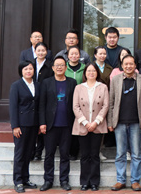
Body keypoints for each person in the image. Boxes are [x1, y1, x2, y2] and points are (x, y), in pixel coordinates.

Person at [108, 55, 141, 192]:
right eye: (126, 64)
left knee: (136, 153)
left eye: (131, 64)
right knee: (120, 153)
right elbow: (111, 102)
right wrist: (110, 121)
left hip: (136, 122)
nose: (128, 66)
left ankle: (135, 181)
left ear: (135, 65)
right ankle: (120, 180)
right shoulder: (115, 79)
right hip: (119, 122)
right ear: (122, 65)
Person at [39, 56, 77, 191]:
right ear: (53, 68)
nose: (59, 67)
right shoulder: (46, 83)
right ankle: (48, 180)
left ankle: (64, 180)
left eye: (62, 65)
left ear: (66, 68)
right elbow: (42, 104)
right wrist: (42, 123)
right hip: (50, 125)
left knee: (65, 154)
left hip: (67, 125)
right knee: (49, 154)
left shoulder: (72, 82)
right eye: (57, 65)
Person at [72, 62, 109, 191]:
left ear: (97, 73)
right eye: (89, 71)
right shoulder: (79, 88)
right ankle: (84, 182)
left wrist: (96, 122)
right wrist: (85, 122)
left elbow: (105, 106)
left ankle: (94, 182)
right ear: (85, 73)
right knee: (84, 155)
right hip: (83, 126)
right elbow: (75, 107)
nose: (91, 73)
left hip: (97, 125)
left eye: (93, 71)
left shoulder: (103, 87)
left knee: (94, 155)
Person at [9, 60, 39, 193]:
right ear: (21, 71)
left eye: (30, 69)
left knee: (29, 153)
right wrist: (15, 126)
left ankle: (26, 179)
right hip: (21, 125)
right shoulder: (16, 86)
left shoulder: (37, 85)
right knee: (20, 153)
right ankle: (18, 181)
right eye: (26, 69)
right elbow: (13, 107)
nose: (28, 71)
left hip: (33, 124)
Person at [32, 42, 54, 160]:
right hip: (31, 98)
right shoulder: (30, 64)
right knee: (32, 124)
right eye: (38, 50)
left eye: (43, 50)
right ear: (35, 52)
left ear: (47, 52)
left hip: (45, 97)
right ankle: (31, 150)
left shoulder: (50, 66)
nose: (41, 53)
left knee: (42, 124)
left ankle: (38, 152)